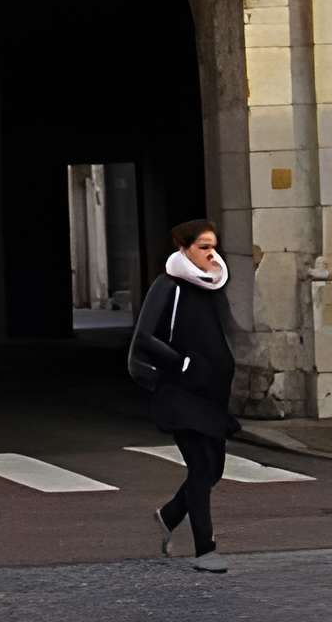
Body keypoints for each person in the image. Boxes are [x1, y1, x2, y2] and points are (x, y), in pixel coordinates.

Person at [133, 218, 236, 574]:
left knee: (214, 469)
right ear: (184, 249)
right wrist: (183, 363)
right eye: (203, 247)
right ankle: (206, 549)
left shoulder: (212, 285)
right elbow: (144, 336)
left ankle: (168, 516)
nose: (211, 254)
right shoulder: (168, 285)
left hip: (211, 396)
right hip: (179, 393)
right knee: (201, 467)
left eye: (213, 247)